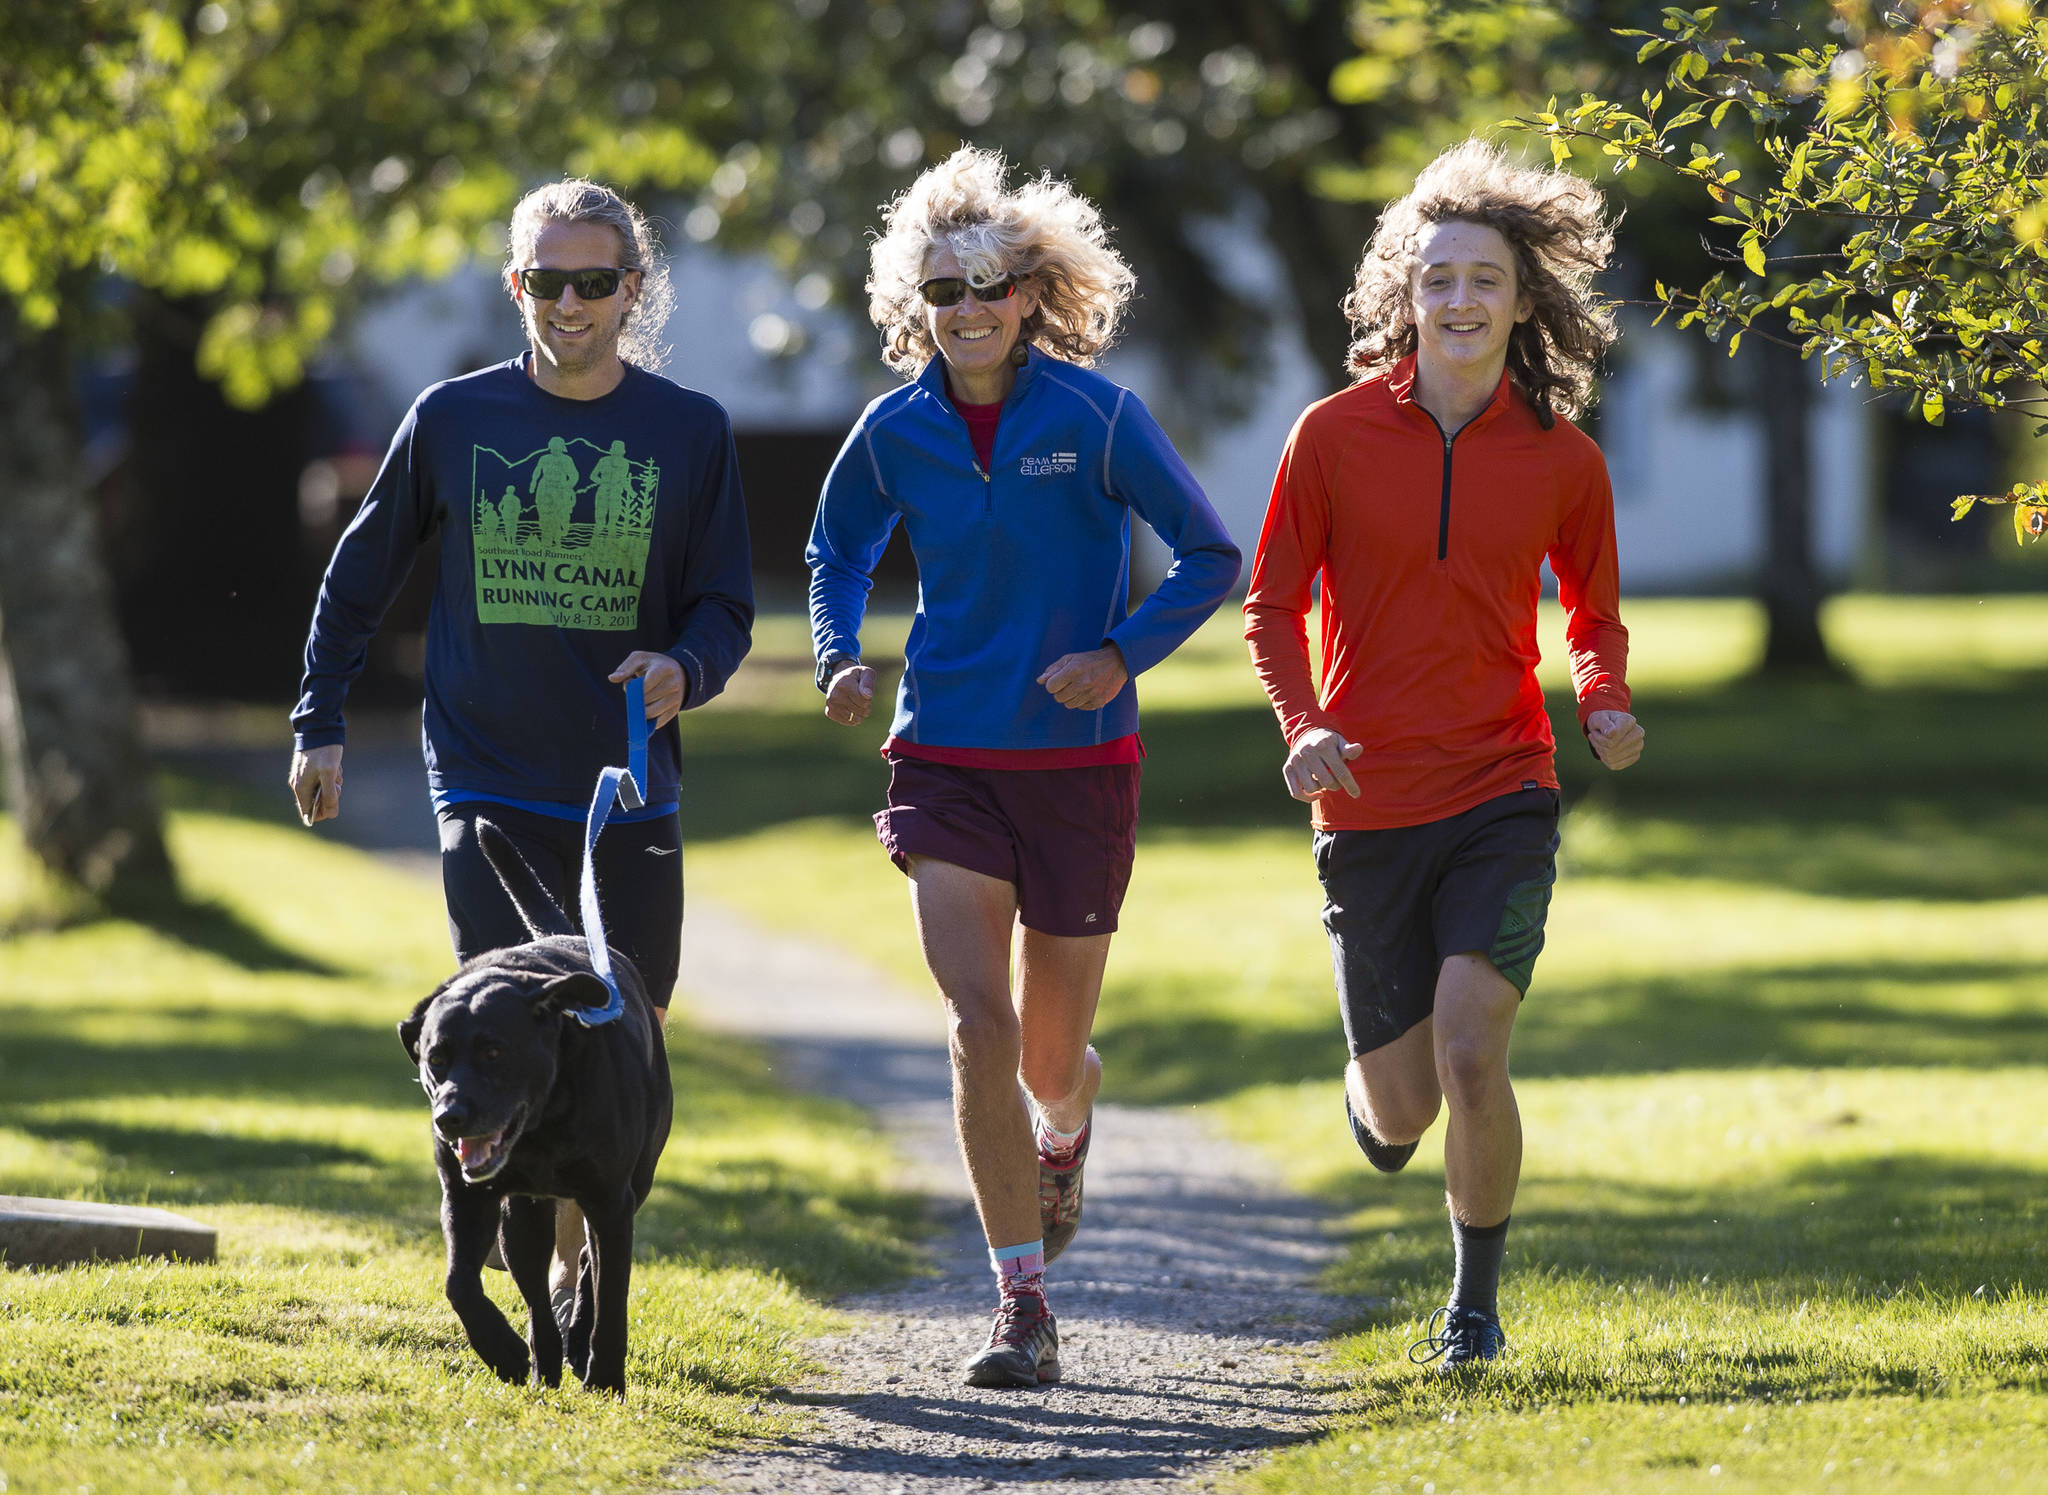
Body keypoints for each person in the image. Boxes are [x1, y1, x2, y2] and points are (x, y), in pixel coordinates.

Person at [807, 146, 1240, 1389]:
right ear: (914, 307)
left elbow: (1211, 555)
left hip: (1078, 763)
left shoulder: (1098, 416)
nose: (967, 310)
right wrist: (840, 653)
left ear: (1031, 294)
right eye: (942, 291)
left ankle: (1066, 1122)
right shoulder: (891, 430)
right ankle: (1019, 1303)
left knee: (1048, 1056)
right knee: (973, 1022)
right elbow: (834, 552)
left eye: (990, 286)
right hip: (943, 749)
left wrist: (1117, 654)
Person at [288, 178, 753, 1310]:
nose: (571, 302)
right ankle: (527, 1264)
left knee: (624, 1032)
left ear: (630, 290)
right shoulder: (453, 420)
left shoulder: (688, 432)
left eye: (595, 281)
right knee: (498, 1030)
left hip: (624, 792)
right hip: (486, 779)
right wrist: (321, 718)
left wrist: (683, 668)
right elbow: (357, 580)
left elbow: (725, 607)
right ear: (517, 286)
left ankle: (575, 1250)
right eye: (547, 280)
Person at [1243, 138, 1645, 1372]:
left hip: (1500, 787)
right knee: (1402, 1106)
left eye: (1483, 279)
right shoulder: (1328, 436)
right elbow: (1268, 606)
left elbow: (1590, 611)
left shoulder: (1562, 460)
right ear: (1401, 297)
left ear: (1523, 300)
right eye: (1436, 279)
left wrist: (1603, 699)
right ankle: (1371, 1089)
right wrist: (1303, 726)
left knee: (1474, 1047)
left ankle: (1471, 1310)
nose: (1459, 299)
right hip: (1365, 802)